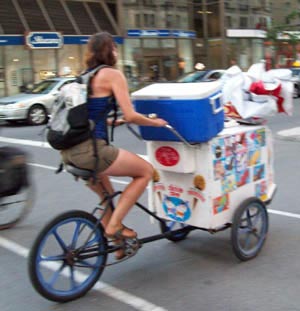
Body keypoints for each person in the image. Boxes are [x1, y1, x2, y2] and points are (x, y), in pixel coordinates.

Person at [60, 32, 168, 259]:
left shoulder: (85, 76)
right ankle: (115, 227)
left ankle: (118, 247)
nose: (117, 52)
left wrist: (112, 120)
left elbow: (87, 116)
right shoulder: (112, 74)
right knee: (145, 171)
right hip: (91, 152)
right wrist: (154, 122)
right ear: (108, 50)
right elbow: (131, 114)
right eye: (114, 48)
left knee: (107, 197)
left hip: (69, 153)